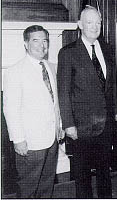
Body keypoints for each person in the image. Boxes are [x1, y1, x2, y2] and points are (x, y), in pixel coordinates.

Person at [57, 5, 115, 198]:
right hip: (80, 127)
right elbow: (63, 91)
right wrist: (68, 125)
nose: (95, 26)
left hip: (105, 125)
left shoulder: (108, 49)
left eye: (98, 22)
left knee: (105, 173)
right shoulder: (68, 52)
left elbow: (110, 87)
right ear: (80, 25)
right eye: (90, 22)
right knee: (82, 177)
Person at [3, 25, 63, 198]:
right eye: (35, 40)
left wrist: (59, 125)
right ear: (26, 44)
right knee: (28, 188)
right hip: (30, 142)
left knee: (46, 186)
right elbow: (10, 108)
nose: (42, 45)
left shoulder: (51, 68)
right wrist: (18, 140)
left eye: (45, 40)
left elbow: (55, 102)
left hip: (51, 139)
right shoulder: (15, 72)